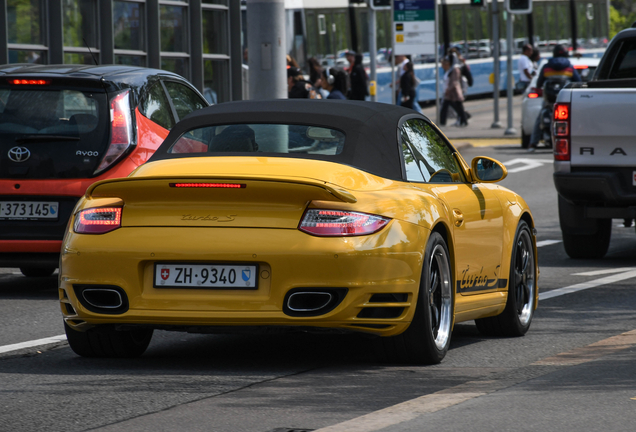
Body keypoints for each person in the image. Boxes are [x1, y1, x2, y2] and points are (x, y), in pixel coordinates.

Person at [528, 44, 581, 152]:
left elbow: (539, 83)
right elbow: (578, 81)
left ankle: (533, 144)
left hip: (549, 100)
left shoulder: (547, 66)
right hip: (565, 100)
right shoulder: (569, 67)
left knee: (539, 119)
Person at [440, 56, 468, 127]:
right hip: (450, 93)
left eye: (443, 64)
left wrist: (448, 89)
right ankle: (463, 119)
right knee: (452, 107)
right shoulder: (449, 70)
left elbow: (454, 82)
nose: (442, 66)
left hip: (454, 93)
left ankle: (464, 119)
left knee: (458, 107)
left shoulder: (455, 69)